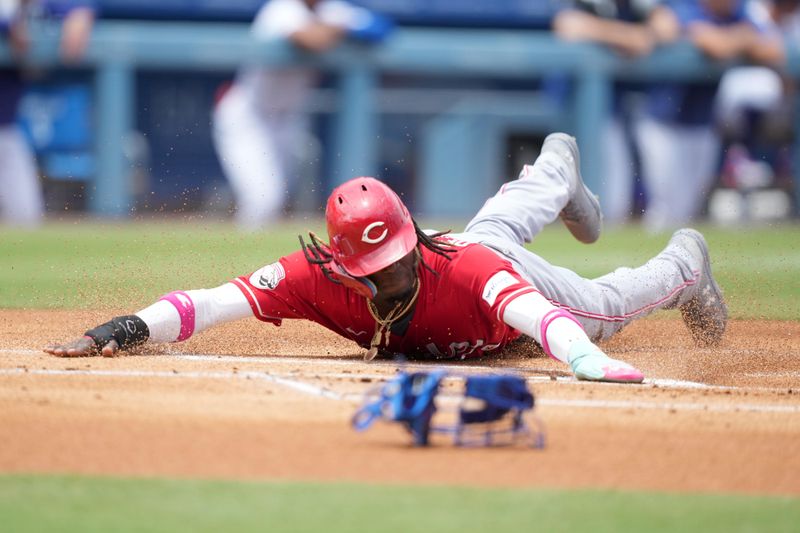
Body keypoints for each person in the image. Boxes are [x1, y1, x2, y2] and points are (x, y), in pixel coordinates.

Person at [45, 133, 729, 385]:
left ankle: (684, 265)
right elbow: (211, 302)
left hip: (507, 290)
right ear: (343, 266)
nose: (394, 275)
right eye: (377, 269)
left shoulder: (456, 269)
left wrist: (587, 360)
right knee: (492, 227)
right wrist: (126, 327)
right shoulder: (315, 276)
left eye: (402, 257)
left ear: (413, 236)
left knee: (604, 306)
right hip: (474, 257)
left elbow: (542, 316)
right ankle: (553, 171)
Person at [212, 0, 393, 231]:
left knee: (276, 197)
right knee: (264, 198)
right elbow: (312, 40)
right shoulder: (281, 9)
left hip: (287, 120)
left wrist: (337, 24)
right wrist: (340, 27)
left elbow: (381, 28)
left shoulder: (332, 11)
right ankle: (235, 255)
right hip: (249, 118)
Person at [634, 0, 785, 231]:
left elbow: (775, 49)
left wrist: (732, 38)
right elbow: (713, 44)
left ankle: (677, 262)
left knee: (688, 209)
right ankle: (651, 261)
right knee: (665, 206)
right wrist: (743, 37)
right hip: (662, 122)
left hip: (702, 124)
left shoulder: (741, 9)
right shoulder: (686, 6)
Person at [552, 0, 677, 224]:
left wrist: (610, 34)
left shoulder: (637, 6)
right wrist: (628, 36)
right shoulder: (588, 4)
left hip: (617, 115)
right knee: (586, 204)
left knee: (612, 205)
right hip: (571, 116)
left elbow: (668, 29)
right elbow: (567, 25)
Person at [0, 0, 94, 227]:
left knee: (26, 220)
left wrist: (80, 13)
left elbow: (73, 7)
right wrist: (9, 25)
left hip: (5, 132)